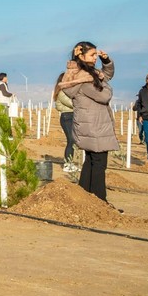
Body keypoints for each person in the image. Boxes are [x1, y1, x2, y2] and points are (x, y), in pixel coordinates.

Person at [60, 41, 119, 207]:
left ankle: (85, 197)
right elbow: (103, 95)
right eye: (92, 55)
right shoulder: (84, 78)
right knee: (99, 163)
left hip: (89, 124)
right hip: (95, 125)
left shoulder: (82, 73)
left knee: (91, 160)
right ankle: (100, 202)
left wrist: (106, 61)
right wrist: (106, 86)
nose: (95, 58)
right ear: (81, 55)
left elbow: (105, 75)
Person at [53, 73, 77, 170]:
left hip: (71, 116)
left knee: (73, 141)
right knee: (71, 140)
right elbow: (72, 103)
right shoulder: (62, 92)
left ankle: (70, 163)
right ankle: (67, 164)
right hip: (67, 117)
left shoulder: (67, 92)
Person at [134, 73, 148, 162]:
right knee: (147, 139)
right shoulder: (142, 91)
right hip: (146, 117)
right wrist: (139, 115)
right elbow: (138, 104)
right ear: (146, 79)